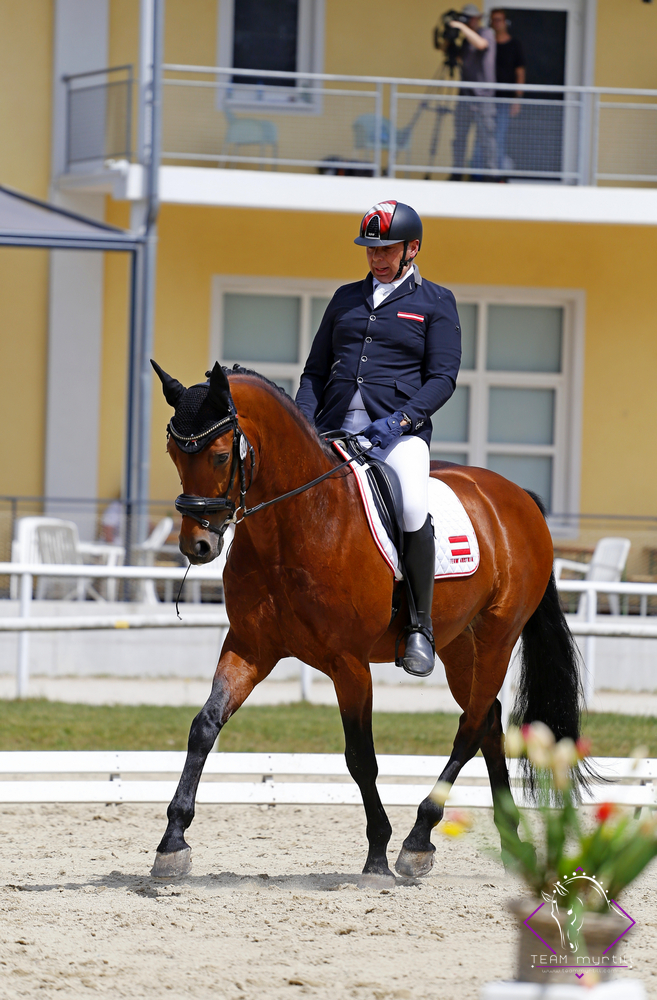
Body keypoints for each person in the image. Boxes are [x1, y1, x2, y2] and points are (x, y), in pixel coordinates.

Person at [295, 201, 462, 677]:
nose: (376, 257)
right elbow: (314, 372)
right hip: (332, 431)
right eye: (370, 249)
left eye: (386, 249)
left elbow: (443, 378)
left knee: (411, 505)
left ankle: (419, 627)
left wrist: (400, 423)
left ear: (412, 248)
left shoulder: (435, 302)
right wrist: (306, 423)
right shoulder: (345, 298)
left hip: (397, 434)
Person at [448, 3, 496, 181]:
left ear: (477, 19)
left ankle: (490, 176)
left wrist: (461, 27)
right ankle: (457, 173)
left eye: (470, 18)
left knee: (486, 139)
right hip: (465, 96)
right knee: (459, 138)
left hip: (483, 97)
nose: (469, 21)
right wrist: (448, 35)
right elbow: (451, 54)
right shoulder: (465, 40)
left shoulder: (485, 33)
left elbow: (481, 44)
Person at [490, 7, 525, 177]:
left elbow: (520, 71)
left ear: (505, 22)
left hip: (504, 100)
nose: (496, 23)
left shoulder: (514, 44)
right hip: (487, 99)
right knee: (483, 138)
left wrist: (517, 99)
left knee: (500, 137)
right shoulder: (487, 43)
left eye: (499, 20)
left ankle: (499, 175)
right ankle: (481, 174)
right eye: (493, 20)